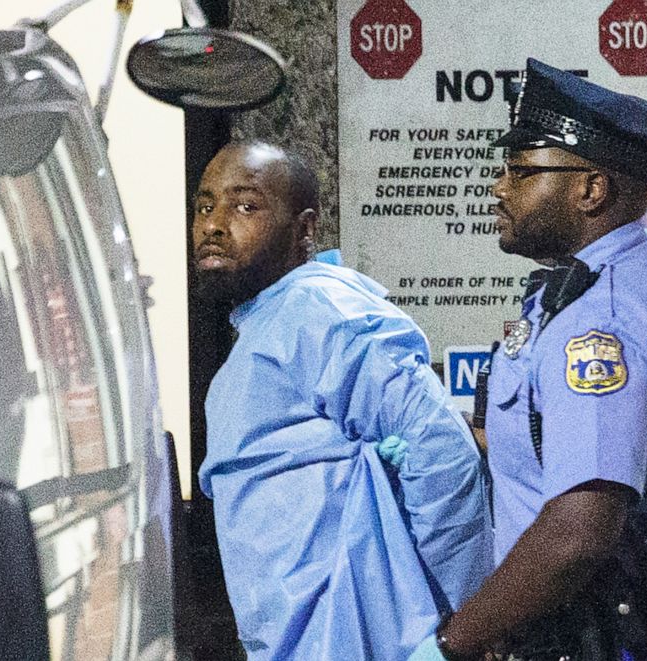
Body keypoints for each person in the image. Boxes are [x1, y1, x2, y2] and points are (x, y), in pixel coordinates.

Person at [410, 59, 647, 660]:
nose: (500, 188)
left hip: (588, 635)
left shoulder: (602, 317)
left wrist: (457, 640)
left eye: (522, 172)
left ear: (590, 189)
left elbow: (580, 530)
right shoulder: (613, 280)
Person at [194, 141, 492, 660]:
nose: (215, 224)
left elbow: (442, 449)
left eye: (245, 205)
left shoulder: (321, 309)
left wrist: (466, 625)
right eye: (205, 205)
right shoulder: (265, 325)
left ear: (305, 230)